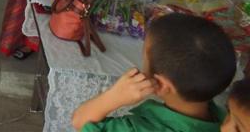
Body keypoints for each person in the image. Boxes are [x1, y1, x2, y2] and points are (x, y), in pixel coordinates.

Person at [72, 13, 236, 131]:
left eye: (144, 57)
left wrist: (114, 96)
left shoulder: (136, 129)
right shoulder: (226, 121)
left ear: (162, 85)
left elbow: (80, 121)